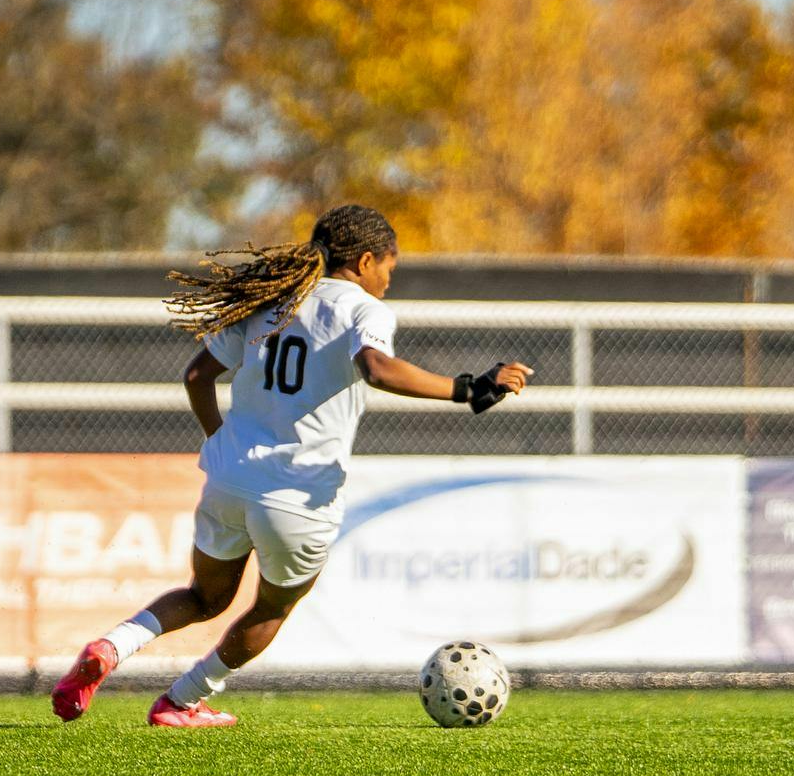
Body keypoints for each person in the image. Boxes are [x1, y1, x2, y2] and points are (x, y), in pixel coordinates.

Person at [51, 204, 531, 727]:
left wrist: (222, 439)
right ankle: (181, 701)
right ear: (366, 260)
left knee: (203, 596)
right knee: (274, 606)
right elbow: (377, 368)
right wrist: (470, 389)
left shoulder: (274, 300)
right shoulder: (364, 309)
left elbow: (196, 376)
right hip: (300, 494)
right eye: (389, 267)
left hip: (230, 478)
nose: (389, 280)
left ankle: (112, 646)